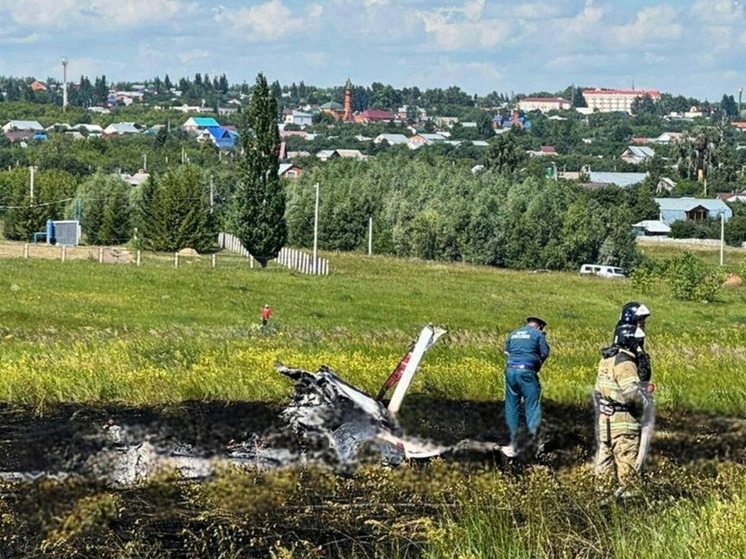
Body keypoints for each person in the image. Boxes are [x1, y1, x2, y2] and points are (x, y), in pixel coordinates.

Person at [593, 314, 654, 500]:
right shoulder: (625, 362)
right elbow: (632, 395)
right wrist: (646, 403)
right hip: (624, 426)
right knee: (628, 475)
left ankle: (601, 508)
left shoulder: (606, 360)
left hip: (606, 425)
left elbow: (598, 392)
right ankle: (629, 512)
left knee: (603, 473)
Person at [500, 316, 551, 458]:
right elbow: (545, 352)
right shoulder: (538, 334)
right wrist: (537, 364)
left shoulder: (513, 333)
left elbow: (507, 352)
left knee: (511, 405)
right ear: (539, 326)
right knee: (532, 405)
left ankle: (512, 441)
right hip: (527, 372)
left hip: (510, 371)